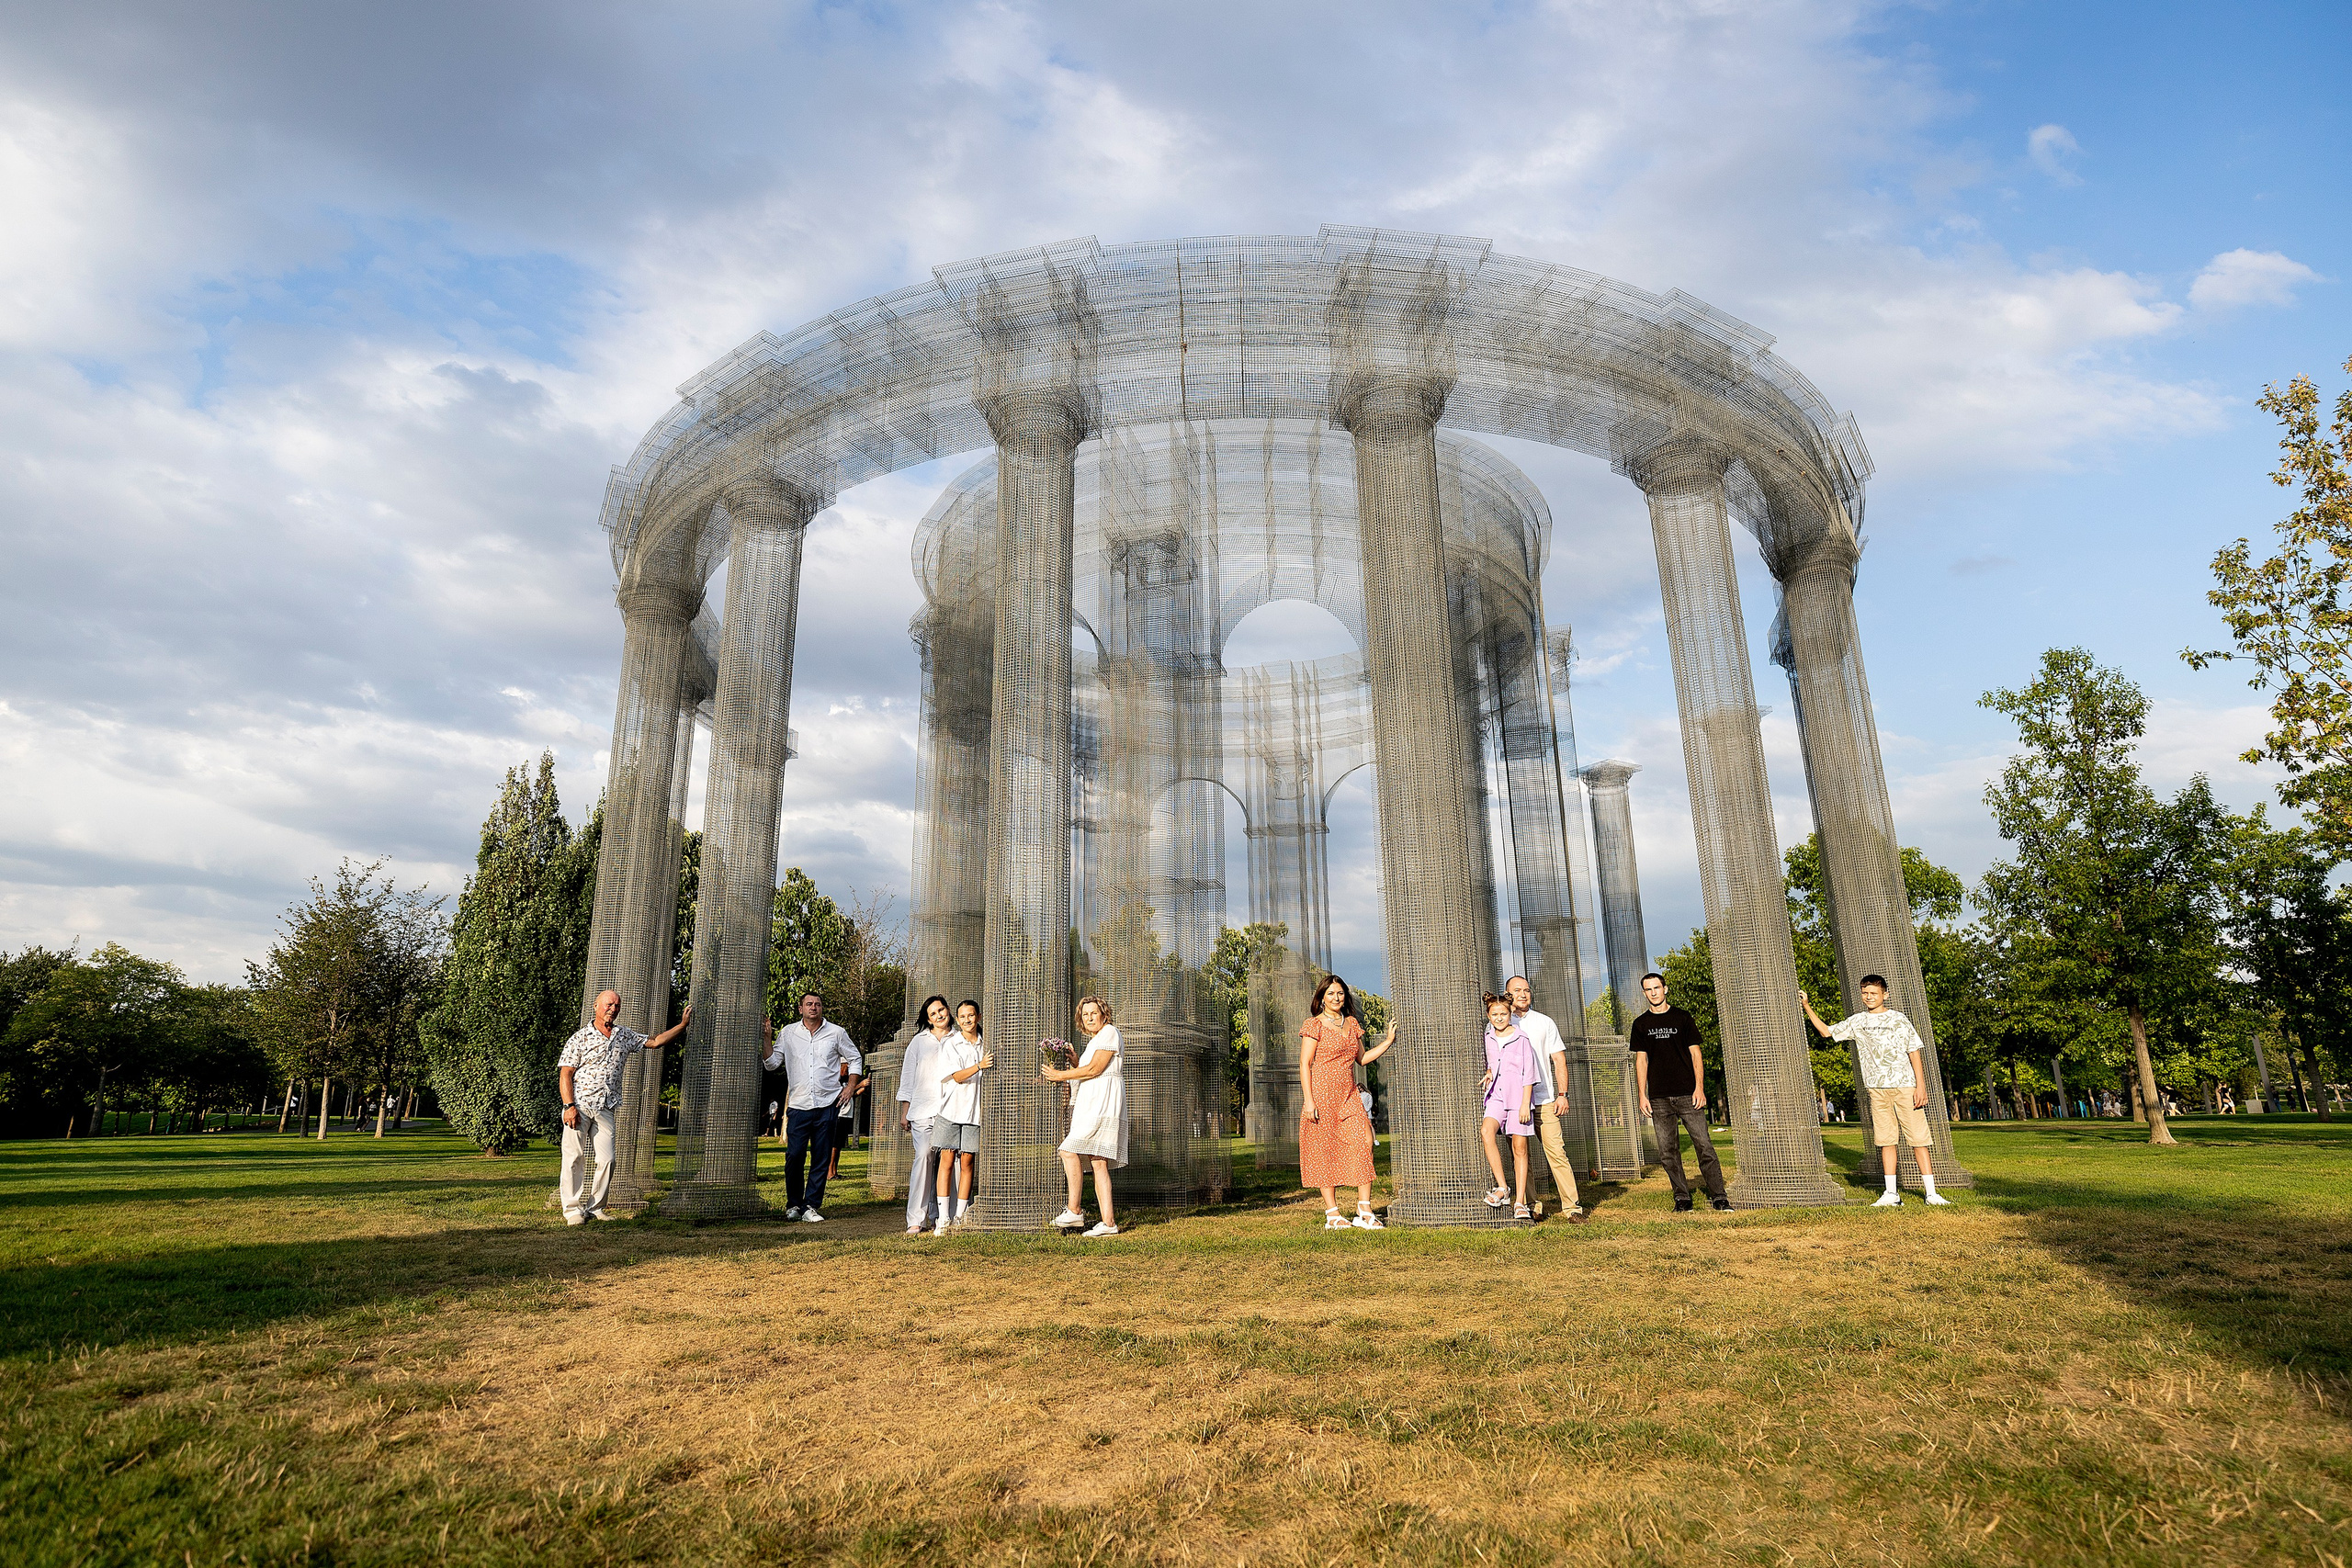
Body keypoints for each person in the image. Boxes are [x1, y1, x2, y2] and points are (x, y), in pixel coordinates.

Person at [1801, 976, 1951, 1207]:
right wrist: (1807, 1006)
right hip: (1877, 1089)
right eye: (1865, 993)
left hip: (1905, 1086)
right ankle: (1891, 1194)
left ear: (1885, 995)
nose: (1869, 997)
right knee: (1885, 1140)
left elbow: (1914, 1051)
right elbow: (1827, 1032)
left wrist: (1920, 1086)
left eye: (1873, 993)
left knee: (1918, 1139)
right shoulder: (1858, 1021)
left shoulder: (1898, 1019)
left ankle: (1931, 1194)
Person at [556, 990, 692, 1224]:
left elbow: (656, 1042)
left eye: (617, 1005)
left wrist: (682, 1025)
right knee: (574, 1158)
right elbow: (565, 1074)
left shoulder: (623, 1035)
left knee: (608, 1160)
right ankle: (572, 1211)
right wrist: (569, 1106)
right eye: (609, 1004)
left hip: (606, 1108)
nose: (613, 1009)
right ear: (596, 1006)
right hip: (579, 1105)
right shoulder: (580, 1038)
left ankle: (595, 1209)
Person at [1297, 974, 1396, 1230]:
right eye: (1330, 993)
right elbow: (1305, 1064)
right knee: (1324, 1150)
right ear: (1321, 998)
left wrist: (1387, 1041)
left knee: (1365, 1141)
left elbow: (1362, 1059)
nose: (1336, 998)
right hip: (1321, 1094)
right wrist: (1309, 1101)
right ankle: (1333, 1214)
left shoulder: (1351, 1024)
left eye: (1340, 993)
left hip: (1349, 1094)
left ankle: (1364, 1211)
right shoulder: (1313, 1025)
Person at [758, 990, 864, 1223]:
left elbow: (855, 1058)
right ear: (801, 1009)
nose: (813, 1007)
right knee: (794, 1156)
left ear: (821, 1008)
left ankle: (811, 1206)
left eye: (817, 1004)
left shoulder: (837, 1033)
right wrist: (767, 1038)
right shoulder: (788, 1033)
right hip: (798, 1105)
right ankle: (794, 1204)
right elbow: (772, 1064)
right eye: (808, 1004)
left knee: (821, 1157)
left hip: (828, 1104)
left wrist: (850, 1087)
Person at [1630, 972, 1729, 1212]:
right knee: (1667, 1151)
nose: (1653, 993)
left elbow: (1696, 1054)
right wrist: (1642, 1095)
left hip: (1688, 1094)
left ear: (1665, 989)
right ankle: (1682, 1199)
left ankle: (1719, 1196)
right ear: (1644, 993)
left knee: (1704, 1146)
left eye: (1657, 988)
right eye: (1648, 989)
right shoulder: (1641, 1024)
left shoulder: (1682, 1017)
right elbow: (1641, 1061)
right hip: (1659, 1098)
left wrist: (1700, 1088)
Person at [1505, 975, 1588, 1224]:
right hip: (1515, 1103)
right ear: (1508, 995)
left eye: (1527, 990)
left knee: (1557, 1153)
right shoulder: (1499, 1022)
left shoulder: (1544, 1022)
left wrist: (1562, 1094)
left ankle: (1572, 1208)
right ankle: (1531, 1206)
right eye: (1517, 990)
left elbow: (1559, 1060)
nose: (1523, 994)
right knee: (1521, 1155)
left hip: (1544, 1101)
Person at [1045, 996, 1126, 1237]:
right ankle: (1108, 1223)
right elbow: (1089, 1068)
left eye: (1094, 1013)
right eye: (1085, 1014)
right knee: (1098, 1161)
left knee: (1068, 1150)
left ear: (1104, 1014)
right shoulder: (1094, 1041)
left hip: (1102, 1102)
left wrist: (1059, 1075)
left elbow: (1096, 1070)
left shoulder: (1110, 1032)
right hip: (1093, 1101)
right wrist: (1075, 1062)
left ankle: (1074, 1211)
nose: (1089, 1018)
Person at [931, 999, 991, 1232]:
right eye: (962, 1017)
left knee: (967, 1161)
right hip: (952, 1109)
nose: (967, 1020)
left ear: (978, 1017)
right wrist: (980, 1066)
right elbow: (956, 1076)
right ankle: (943, 1218)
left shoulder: (986, 1043)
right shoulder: (952, 1043)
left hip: (975, 1113)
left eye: (971, 1015)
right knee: (946, 1159)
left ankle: (960, 1217)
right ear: (957, 1019)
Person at [898, 995, 954, 1236]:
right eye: (933, 1013)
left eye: (941, 1010)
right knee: (924, 1157)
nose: (939, 1015)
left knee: (950, 1162)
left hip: (952, 1110)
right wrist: (905, 1111)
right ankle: (915, 1219)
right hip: (922, 1110)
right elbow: (908, 1078)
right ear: (928, 1019)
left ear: (948, 1010)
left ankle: (945, 1216)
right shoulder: (918, 1042)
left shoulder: (961, 1037)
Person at [1478, 993, 1538, 1219]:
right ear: (1488, 1016)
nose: (1499, 1018)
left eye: (1503, 1014)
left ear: (1511, 1013)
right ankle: (1503, 1187)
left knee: (1519, 1149)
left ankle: (1520, 1202)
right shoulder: (1488, 1035)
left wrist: (1525, 1104)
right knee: (1486, 1132)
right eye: (1494, 1014)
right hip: (1496, 1096)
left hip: (1518, 1100)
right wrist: (1489, 1072)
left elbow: (1529, 1074)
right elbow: (1493, 1062)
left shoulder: (1522, 1039)